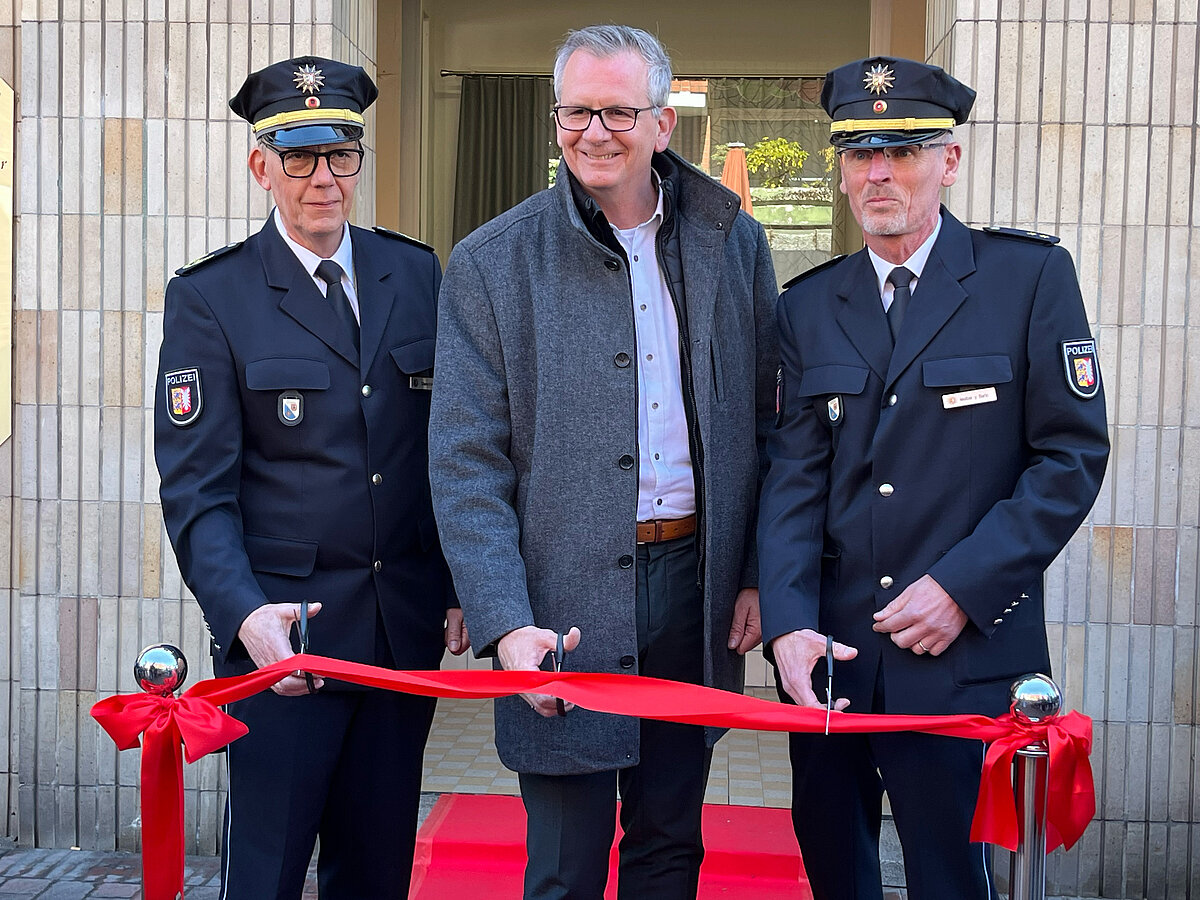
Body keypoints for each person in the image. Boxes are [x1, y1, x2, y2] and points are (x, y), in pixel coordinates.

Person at [428, 24, 778, 900]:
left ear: (663, 123)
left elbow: (767, 424)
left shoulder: (732, 242)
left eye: (618, 112)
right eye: (575, 111)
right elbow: (466, 466)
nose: (594, 132)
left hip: (695, 588)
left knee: (670, 847)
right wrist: (506, 622)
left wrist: (756, 573)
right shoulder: (490, 263)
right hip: (559, 605)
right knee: (565, 867)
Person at [757, 56, 1110, 900]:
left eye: (904, 151)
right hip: (835, 661)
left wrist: (961, 587)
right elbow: (793, 479)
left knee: (952, 881)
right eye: (859, 153)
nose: (878, 173)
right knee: (836, 873)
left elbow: (1070, 458)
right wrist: (788, 625)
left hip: (963, 655)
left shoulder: (1027, 279)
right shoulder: (807, 306)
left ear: (948, 160)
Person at [153, 56, 466, 899]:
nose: (324, 178)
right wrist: (244, 616)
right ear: (262, 167)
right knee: (267, 872)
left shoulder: (415, 274)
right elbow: (197, 492)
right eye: (299, 157)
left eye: (341, 154)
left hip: (398, 638)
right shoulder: (213, 297)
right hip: (282, 643)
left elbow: (445, 449)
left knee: (376, 871)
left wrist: (457, 584)